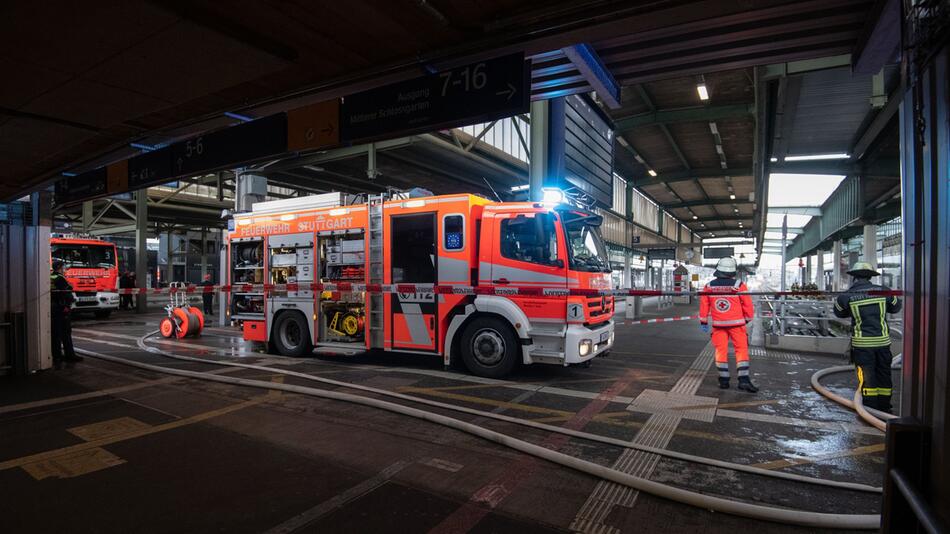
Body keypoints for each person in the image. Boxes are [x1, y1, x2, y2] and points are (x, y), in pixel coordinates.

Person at [833, 262, 901, 413]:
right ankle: (884, 407)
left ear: (854, 277)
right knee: (884, 373)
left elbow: (839, 312)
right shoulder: (884, 291)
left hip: (862, 345)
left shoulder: (846, 295)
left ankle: (870, 408)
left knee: (867, 376)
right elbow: (896, 306)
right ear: (871, 276)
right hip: (883, 343)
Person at [699, 257, 757, 392]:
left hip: (718, 325)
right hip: (737, 325)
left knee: (720, 351)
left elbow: (704, 305)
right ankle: (743, 381)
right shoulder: (739, 285)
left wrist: (703, 322)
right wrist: (747, 319)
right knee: (741, 350)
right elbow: (747, 304)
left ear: (718, 269)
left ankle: (724, 381)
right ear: (732, 271)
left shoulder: (709, 286)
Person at [50, 260, 82, 367]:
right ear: (59, 267)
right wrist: (68, 305)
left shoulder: (51, 277)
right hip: (62, 308)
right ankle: (70, 355)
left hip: (53, 308)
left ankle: (57, 356)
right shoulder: (61, 278)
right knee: (66, 333)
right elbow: (67, 291)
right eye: (64, 267)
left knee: (56, 334)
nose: (65, 269)